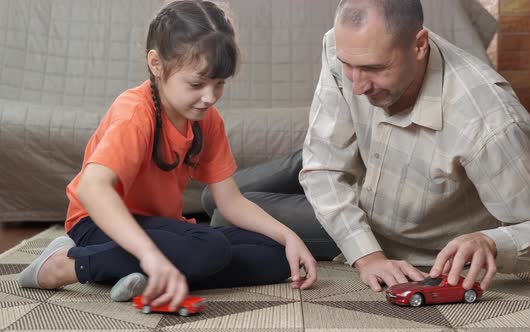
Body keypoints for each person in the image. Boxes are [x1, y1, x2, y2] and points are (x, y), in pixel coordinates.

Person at [204, 0, 530, 293]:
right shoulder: (342, 46)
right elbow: (325, 168)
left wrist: (491, 242)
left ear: (419, 45)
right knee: (211, 195)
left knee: (223, 214)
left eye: (375, 68)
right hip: (349, 161)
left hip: (388, 224)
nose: (359, 86)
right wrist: (367, 259)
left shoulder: (489, 122)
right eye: (349, 67)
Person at [18, 0, 316, 312]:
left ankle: (141, 273)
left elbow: (230, 201)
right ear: (157, 64)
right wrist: (150, 254)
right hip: (98, 224)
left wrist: (288, 235)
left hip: (160, 227)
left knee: (276, 254)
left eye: (219, 84)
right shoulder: (134, 113)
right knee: (210, 250)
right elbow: (91, 189)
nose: (209, 97)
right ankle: (68, 264)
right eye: (197, 84)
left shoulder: (207, 120)